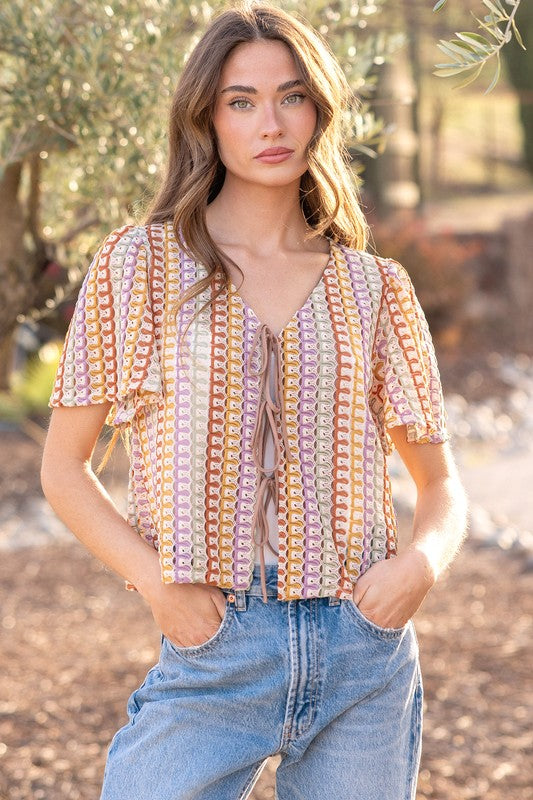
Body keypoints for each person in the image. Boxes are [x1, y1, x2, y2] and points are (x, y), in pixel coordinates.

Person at [41, 2, 468, 798]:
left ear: (318, 112)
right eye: (242, 101)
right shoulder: (139, 266)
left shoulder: (375, 288)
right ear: (207, 117)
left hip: (362, 652)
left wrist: (419, 566)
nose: (270, 122)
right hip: (214, 649)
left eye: (291, 96)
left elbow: (440, 484)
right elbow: (63, 470)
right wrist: (156, 584)